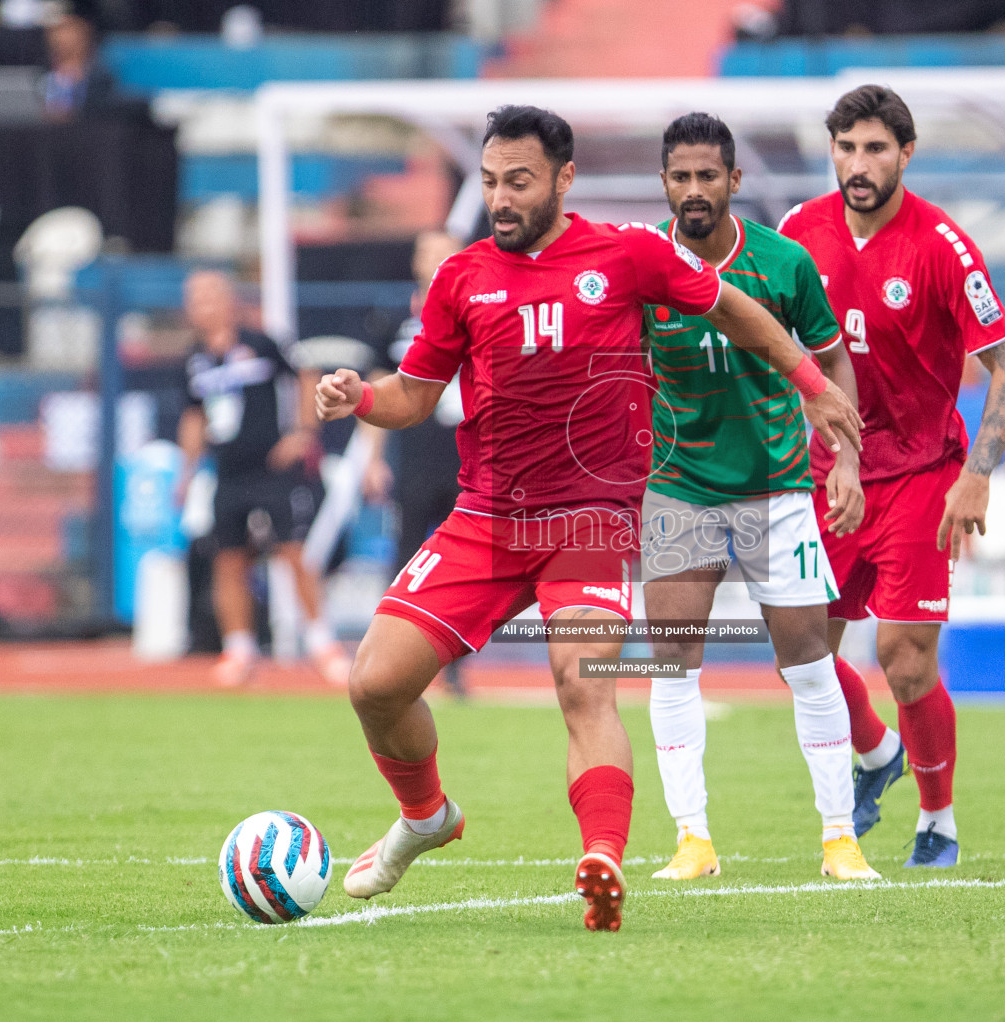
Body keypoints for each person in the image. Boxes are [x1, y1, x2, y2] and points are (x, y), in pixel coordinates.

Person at [314, 105, 862, 932]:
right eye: (492, 182)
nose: (501, 198)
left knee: (584, 683)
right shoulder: (463, 277)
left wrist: (813, 387)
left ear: (564, 180)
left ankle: (603, 857)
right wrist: (360, 396)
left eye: (519, 181)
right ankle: (426, 816)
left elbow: (735, 310)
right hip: (486, 520)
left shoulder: (629, 254)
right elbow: (414, 396)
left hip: (590, 523)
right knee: (374, 683)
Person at [779, 84, 1005, 868]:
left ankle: (938, 818)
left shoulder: (941, 246)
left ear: (906, 154)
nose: (858, 165)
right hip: (827, 473)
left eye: (875, 149)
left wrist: (979, 474)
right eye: (846, 148)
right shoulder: (797, 232)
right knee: (800, 654)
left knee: (904, 656)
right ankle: (877, 752)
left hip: (923, 471)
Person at [640, 112, 878, 882]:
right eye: (681, 176)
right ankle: (692, 841)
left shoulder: (784, 264)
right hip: (679, 488)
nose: (694, 189)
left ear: (735, 182)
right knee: (672, 662)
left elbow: (836, 365)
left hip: (778, 488)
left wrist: (843, 461)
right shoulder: (642, 269)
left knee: (807, 663)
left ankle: (840, 838)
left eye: (709, 175)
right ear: (665, 182)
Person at [176, 270, 351, 688]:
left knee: (294, 550)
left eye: (210, 296)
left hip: (272, 468)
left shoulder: (261, 342)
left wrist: (304, 433)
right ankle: (239, 648)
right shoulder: (194, 358)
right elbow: (194, 415)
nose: (203, 306)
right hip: (227, 472)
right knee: (228, 558)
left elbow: (306, 373)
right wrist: (186, 471)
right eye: (195, 299)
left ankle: (321, 643)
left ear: (230, 300)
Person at [366, 230, 468, 696]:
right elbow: (374, 393)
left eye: (445, 250)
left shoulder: (482, 312)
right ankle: (397, 664)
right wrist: (371, 459)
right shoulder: (397, 324)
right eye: (428, 251)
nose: (436, 260)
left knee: (467, 565)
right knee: (406, 558)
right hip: (414, 455)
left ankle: (454, 671)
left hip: (470, 457)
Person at [43, 13, 114, 121]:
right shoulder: (41, 76)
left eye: (67, 29)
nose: (59, 37)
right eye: (55, 30)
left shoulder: (101, 79)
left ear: (84, 37)